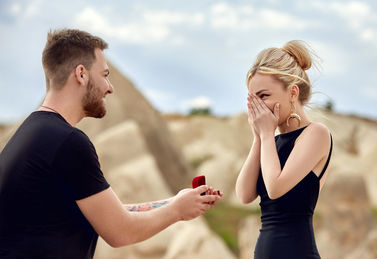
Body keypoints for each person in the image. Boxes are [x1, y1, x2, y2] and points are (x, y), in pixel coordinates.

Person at [0, 29, 222, 259]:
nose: (110, 87)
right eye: (104, 74)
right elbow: (121, 232)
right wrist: (177, 211)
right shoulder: (68, 142)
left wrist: (176, 201)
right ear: (81, 74)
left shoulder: (32, 134)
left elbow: (108, 214)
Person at [235, 40, 333, 259]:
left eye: (264, 96)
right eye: (253, 99)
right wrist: (258, 137)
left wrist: (267, 135)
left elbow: (276, 188)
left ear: (292, 92)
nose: (257, 107)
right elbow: (244, 194)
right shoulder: (271, 141)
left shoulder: (316, 134)